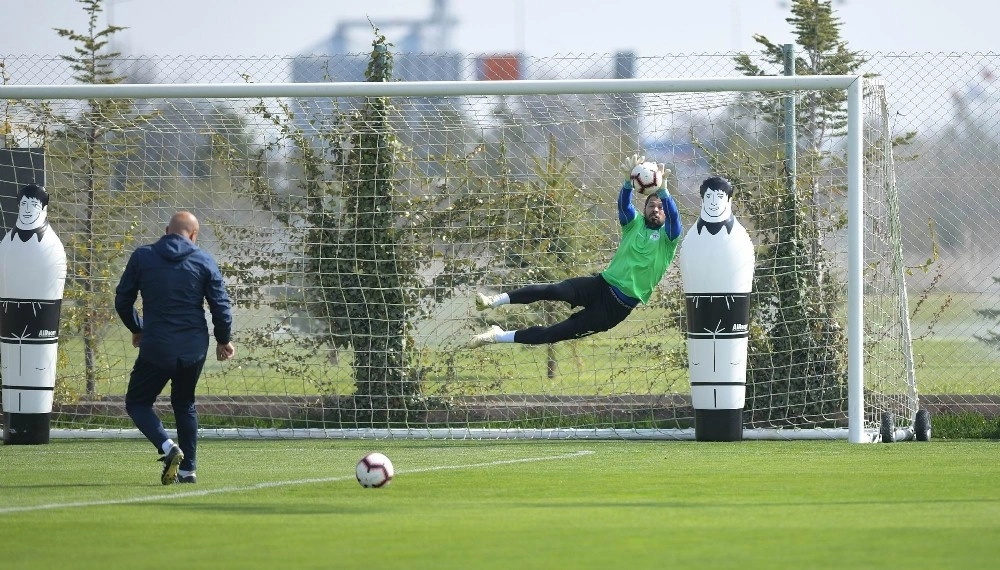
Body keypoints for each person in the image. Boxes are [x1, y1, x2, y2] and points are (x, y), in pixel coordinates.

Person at [468, 155, 682, 348]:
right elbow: (624, 206)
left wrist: (663, 191)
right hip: (601, 285)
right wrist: (627, 183)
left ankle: (497, 336)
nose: (656, 209)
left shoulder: (668, 239)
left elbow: (674, 217)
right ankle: (493, 301)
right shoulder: (633, 225)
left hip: (614, 309)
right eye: (651, 206)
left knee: (553, 334)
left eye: (660, 207)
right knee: (553, 290)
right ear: (643, 210)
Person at [115, 211, 234, 485]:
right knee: (184, 403)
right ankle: (187, 470)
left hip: (156, 344)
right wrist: (223, 340)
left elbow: (123, 300)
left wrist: (137, 328)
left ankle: (168, 447)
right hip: (193, 347)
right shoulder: (204, 260)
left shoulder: (143, 256)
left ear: (167, 230)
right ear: (194, 235)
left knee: (137, 402)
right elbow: (221, 306)